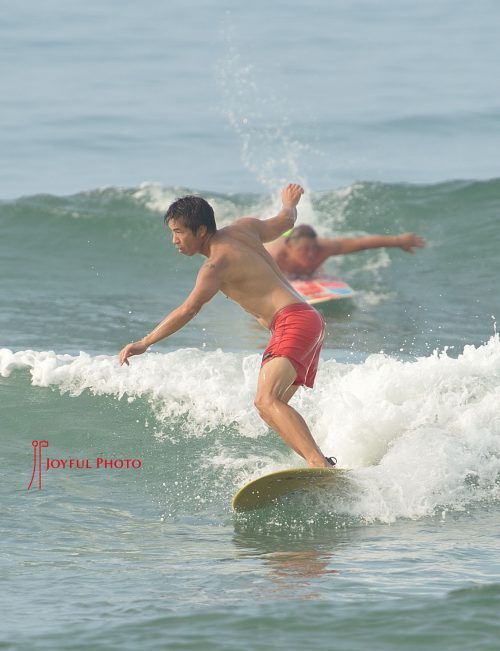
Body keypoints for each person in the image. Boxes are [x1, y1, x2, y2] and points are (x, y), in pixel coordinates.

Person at [119, 184, 335, 469]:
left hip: (291, 321)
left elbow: (189, 309)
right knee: (270, 408)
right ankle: (318, 463)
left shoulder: (215, 266)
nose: (174, 240)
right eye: (172, 232)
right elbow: (286, 222)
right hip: (309, 318)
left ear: (201, 231)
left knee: (266, 401)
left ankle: (318, 464)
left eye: (179, 232)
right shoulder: (244, 228)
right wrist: (289, 202)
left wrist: (145, 342)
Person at [265, 224, 425, 278]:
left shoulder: (324, 248)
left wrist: (399, 241)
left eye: (313, 248)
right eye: (304, 250)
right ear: (290, 247)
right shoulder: (274, 256)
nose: (311, 254)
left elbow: (360, 244)